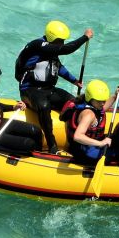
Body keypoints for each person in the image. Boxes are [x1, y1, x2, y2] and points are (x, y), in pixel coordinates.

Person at [15, 20, 93, 153]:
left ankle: (74, 139)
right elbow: (67, 49)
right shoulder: (39, 45)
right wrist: (85, 37)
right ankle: (52, 144)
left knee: (75, 102)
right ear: (52, 37)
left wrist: (74, 81)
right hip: (30, 90)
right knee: (44, 106)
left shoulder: (51, 48)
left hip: (48, 89)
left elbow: (58, 67)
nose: (62, 43)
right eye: (60, 40)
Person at [60, 80, 119, 167]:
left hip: (88, 145)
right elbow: (77, 136)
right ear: (90, 99)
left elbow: (103, 108)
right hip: (83, 152)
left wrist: (115, 95)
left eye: (104, 100)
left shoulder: (93, 105)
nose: (102, 103)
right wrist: (101, 143)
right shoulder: (88, 114)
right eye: (99, 101)